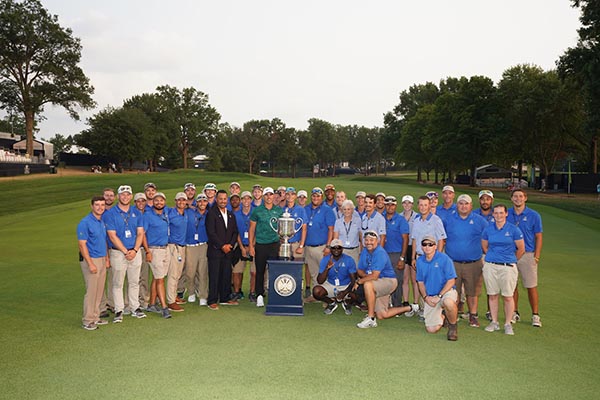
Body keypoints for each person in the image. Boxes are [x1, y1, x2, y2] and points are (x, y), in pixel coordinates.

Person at [354, 231, 415, 328]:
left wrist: (360, 281)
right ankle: (410, 308)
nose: (369, 242)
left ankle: (371, 318)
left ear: (377, 241)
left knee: (368, 284)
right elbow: (359, 270)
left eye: (371, 240)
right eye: (366, 240)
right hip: (377, 283)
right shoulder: (365, 251)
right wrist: (366, 276)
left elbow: (374, 276)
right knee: (382, 314)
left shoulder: (380, 252)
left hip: (388, 281)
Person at [443, 194, 487, 327]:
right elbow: (442, 239)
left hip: (473, 262)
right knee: (452, 291)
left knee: (472, 291)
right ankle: (451, 316)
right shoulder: (448, 219)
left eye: (466, 204)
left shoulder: (480, 221)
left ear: (471, 206)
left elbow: (487, 237)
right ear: (457, 205)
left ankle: (473, 315)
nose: (463, 206)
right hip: (453, 262)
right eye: (461, 203)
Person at [104, 185, 146, 322]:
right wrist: (125, 251)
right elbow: (112, 236)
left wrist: (134, 250)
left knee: (134, 282)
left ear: (131, 196)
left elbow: (140, 233)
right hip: (118, 252)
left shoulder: (137, 212)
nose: (125, 197)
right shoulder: (110, 214)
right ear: (118, 196)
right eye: (123, 194)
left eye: (128, 194)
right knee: (118, 283)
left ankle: (135, 307)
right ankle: (119, 310)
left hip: (135, 251)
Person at [482, 204, 525, 335]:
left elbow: (521, 249)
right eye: (496, 213)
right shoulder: (488, 229)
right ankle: (494, 322)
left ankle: (507, 323)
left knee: (507, 296)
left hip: (508, 267)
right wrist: (494, 257)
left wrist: (509, 259)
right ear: (493, 215)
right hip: (491, 265)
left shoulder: (514, 230)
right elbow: (485, 246)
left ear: (506, 214)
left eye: (501, 213)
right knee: (493, 295)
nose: (498, 216)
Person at [507, 189, 543, 327]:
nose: (518, 199)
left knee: (531, 286)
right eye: (515, 196)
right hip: (510, 253)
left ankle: (535, 315)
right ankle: (514, 312)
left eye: (520, 196)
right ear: (511, 199)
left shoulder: (534, 215)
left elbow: (538, 236)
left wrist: (537, 256)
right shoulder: (506, 214)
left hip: (528, 254)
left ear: (525, 198)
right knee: (512, 286)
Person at [416, 235, 459, 341]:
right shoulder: (420, 261)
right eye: (424, 244)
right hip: (430, 296)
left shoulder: (444, 259)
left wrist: (439, 296)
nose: (427, 247)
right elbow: (420, 282)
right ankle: (443, 317)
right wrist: (426, 297)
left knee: (448, 303)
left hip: (446, 292)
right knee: (431, 329)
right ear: (421, 247)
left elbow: (451, 280)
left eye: (430, 244)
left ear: (435, 246)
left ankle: (453, 327)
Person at [410, 195, 446, 315]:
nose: (423, 207)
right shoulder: (416, 220)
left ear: (430, 205)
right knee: (421, 283)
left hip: (432, 257)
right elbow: (414, 239)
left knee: (432, 283)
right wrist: (413, 257)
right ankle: (423, 309)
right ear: (418, 206)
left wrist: (438, 257)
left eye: (425, 205)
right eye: (421, 205)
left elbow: (441, 239)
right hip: (420, 257)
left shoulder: (436, 220)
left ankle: (434, 310)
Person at [77, 196, 109, 330]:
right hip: (91, 259)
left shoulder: (101, 221)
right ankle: (88, 320)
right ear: (92, 206)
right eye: (97, 205)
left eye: (102, 205)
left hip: (102, 258)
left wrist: (106, 258)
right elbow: (82, 245)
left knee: (99, 290)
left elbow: (104, 241)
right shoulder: (85, 222)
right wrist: (90, 263)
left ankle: (95, 316)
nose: (100, 207)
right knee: (91, 291)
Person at [248, 187, 282, 307]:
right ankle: (259, 295)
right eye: (266, 195)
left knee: (274, 271)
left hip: (274, 244)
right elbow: (252, 229)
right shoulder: (257, 211)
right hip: (261, 244)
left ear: (274, 196)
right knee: (260, 271)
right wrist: (251, 246)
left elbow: (282, 228)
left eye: (271, 195)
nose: (269, 197)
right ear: (263, 196)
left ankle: (274, 294)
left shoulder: (279, 211)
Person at [206, 190, 239, 309]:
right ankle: (212, 300)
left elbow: (235, 232)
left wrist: (229, 245)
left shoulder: (230, 214)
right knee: (214, 276)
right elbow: (211, 232)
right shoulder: (211, 213)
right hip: (215, 250)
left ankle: (225, 298)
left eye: (225, 199)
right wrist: (222, 246)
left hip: (228, 251)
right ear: (216, 199)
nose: (223, 201)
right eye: (221, 199)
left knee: (226, 275)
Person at [303, 187, 336, 302]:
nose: (315, 198)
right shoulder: (306, 209)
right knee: (313, 272)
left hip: (322, 247)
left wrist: (328, 246)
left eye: (318, 196)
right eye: (313, 196)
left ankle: (327, 297)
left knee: (324, 273)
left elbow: (331, 229)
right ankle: (316, 295)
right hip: (309, 247)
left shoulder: (327, 210)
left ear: (322, 197)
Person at [143, 192, 172, 319]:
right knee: (160, 279)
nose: (159, 203)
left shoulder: (166, 212)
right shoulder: (148, 215)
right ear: (152, 202)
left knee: (157, 277)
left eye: (161, 200)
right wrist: (148, 251)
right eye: (156, 201)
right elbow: (142, 234)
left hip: (165, 248)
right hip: (154, 250)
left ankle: (152, 304)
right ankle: (165, 308)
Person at [312, 239, 357, 315]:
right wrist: (327, 268)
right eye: (333, 248)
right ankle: (331, 303)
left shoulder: (349, 260)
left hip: (345, 285)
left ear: (342, 249)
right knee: (316, 291)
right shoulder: (325, 259)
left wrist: (344, 292)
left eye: (338, 248)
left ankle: (347, 302)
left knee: (358, 293)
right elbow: (320, 281)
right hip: (331, 284)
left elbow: (353, 280)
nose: (336, 250)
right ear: (330, 249)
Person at [181, 193, 209, 305]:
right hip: (190, 245)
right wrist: (187, 204)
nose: (202, 203)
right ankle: (191, 292)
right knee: (190, 272)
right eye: (200, 201)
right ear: (196, 203)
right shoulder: (188, 212)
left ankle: (203, 295)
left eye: (204, 201)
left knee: (203, 272)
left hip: (203, 245)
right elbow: (177, 208)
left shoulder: (209, 214)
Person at [383, 195, 410, 308]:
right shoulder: (381, 218)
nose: (390, 207)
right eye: (388, 205)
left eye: (392, 205)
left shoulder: (401, 220)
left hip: (396, 254)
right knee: (384, 279)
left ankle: (397, 304)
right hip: (383, 254)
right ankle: (384, 304)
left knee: (397, 280)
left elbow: (405, 239)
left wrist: (402, 257)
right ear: (385, 205)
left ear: (395, 206)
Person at [165, 192, 189, 312]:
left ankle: (173, 295)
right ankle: (170, 301)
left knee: (178, 274)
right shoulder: (170, 213)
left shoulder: (185, 214)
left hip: (182, 246)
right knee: (173, 274)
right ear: (175, 201)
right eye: (179, 200)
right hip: (173, 246)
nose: (181, 202)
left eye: (183, 200)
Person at [233, 191, 255, 301]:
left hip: (253, 245)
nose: (246, 201)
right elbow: (235, 232)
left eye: (248, 198)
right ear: (241, 201)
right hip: (240, 244)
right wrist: (242, 247)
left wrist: (251, 245)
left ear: (251, 200)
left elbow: (258, 231)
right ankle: (237, 292)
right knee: (237, 271)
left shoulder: (256, 212)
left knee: (254, 271)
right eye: (244, 199)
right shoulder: (236, 214)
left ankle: (252, 293)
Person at [400, 195, 419, 312]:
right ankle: (406, 302)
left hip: (414, 247)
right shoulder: (399, 216)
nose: (407, 205)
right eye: (405, 203)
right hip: (403, 247)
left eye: (409, 203)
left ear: (412, 204)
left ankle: (416, 303)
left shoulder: (417, 217)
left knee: (414, 278)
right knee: (405, 278)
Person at [133, 193, 151, 309]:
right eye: (138, 201)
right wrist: (148, 250)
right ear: (134, 203)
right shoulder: (131, 214)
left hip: (144, 248)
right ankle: (133, 302)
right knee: (134, 278)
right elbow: (141, 234)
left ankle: (143, 300)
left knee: (144, 276)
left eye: (143, 201)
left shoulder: (148, 213)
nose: (141, 203)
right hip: (136, 248)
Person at [333, 199, 362, 264]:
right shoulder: (338, 222)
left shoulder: (358, 221)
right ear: (342, 210)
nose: (347, 211)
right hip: (342, 251)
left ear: (352, 210)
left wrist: (361, 252)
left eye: (349, 209)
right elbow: (335, 238)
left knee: (354, 271)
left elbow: (361, 237)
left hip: (354, 251)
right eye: (345, 209)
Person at [282, 187, 307, 259]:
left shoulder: (300, 210)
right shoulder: (281, 210)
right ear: (285, 196)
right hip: (284, 244)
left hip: (296, 244)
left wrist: (301, 246)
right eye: (288, 194)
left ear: (295, 196)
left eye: (292, 194)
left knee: (297, 268)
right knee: (283, 267)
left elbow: (304, 229)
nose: (290, 196)